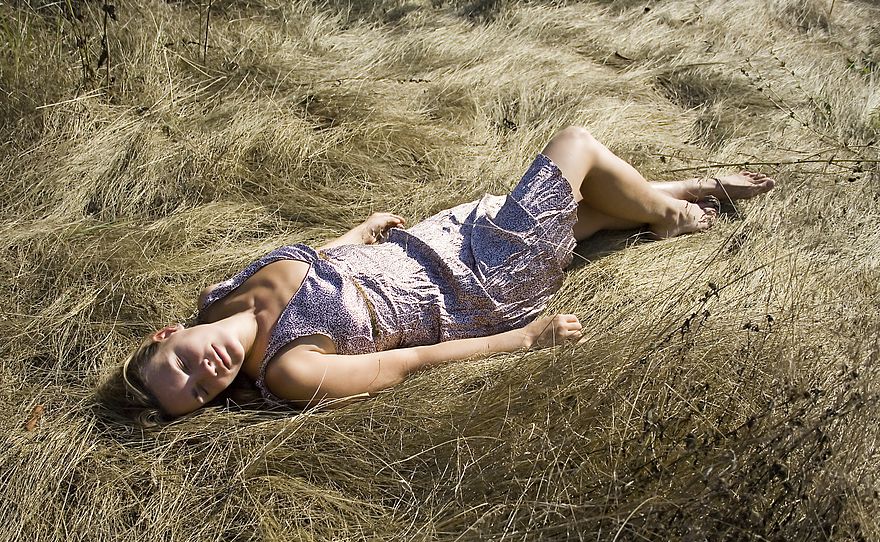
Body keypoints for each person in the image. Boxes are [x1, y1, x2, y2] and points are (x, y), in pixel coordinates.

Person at [118, 126, 774, 422]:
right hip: (474, 288)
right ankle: (677, 209)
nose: (205, 375)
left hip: (437, 238)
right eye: (201, 394)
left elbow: (303, 271)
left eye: (181, 366)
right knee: (575, 146)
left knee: (584, 214)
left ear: (169, 332)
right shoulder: (292, 371)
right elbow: (409, 364)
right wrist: (522, 340)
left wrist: (353, 237)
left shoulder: (215, 299)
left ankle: (668, 195)